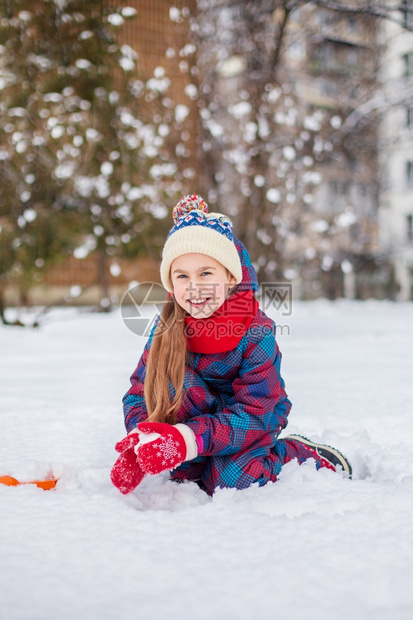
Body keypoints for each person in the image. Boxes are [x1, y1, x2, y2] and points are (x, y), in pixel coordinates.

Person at [111, 194, 352, 496]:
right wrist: (144, 436)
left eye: (206, 273)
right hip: (196, 424)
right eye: (182, 275)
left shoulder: (255, 332)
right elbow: (139, 392)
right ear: (171, 284)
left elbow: (254, 411)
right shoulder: (167, 329)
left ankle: (296, 454)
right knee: (184, 467)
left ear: (229, 277)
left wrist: (187, 439)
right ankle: (197, 459)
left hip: (248, 422)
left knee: (232, 481)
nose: (195, 286)